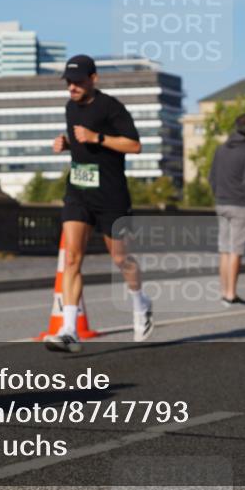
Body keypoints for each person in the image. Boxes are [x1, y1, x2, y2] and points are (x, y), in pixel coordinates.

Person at [43, 54, 152, 352]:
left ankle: (140, 302)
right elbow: (80, 144)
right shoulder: (70, 107)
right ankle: (69, 330)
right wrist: (66, 143)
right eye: (68, 82)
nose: (72, 87)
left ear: (93, 79)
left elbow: (135, 145)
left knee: (120, 258)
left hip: (111, 195)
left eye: (78, 82)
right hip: (78, 191)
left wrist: (97, 137)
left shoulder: (111, 107)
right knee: (72, 259)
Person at [210, 113, 245, 305]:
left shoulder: (221, 149)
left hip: (221, 203)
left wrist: (219, 196)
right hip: (240, 204)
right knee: (235, 250)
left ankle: (224, 292)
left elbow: (212, 178)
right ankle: (231, 294)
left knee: (224, 250)